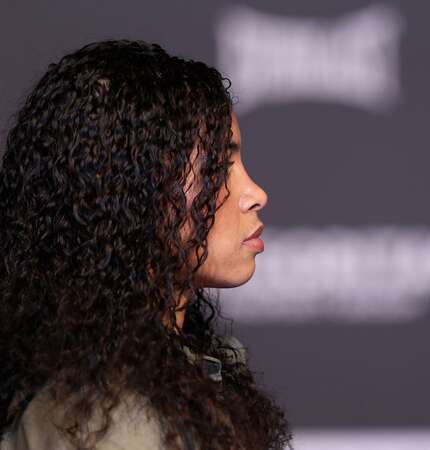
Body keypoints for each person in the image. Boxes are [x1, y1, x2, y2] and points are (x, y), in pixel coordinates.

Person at [0, 40, 291, 449]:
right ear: (133, 192)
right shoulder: (108, 419)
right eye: (217, 166)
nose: (255, 193)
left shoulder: (159, 377)